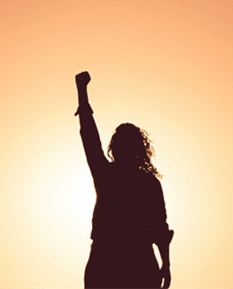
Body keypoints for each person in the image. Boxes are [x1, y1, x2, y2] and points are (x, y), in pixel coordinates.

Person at [74, 71, 174, 289]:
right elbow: (159, 229)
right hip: (127, 260)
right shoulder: (144, 182)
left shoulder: (108, 175)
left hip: (116, 260)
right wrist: (166, 264)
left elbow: (159, 228)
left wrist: (82, 92)